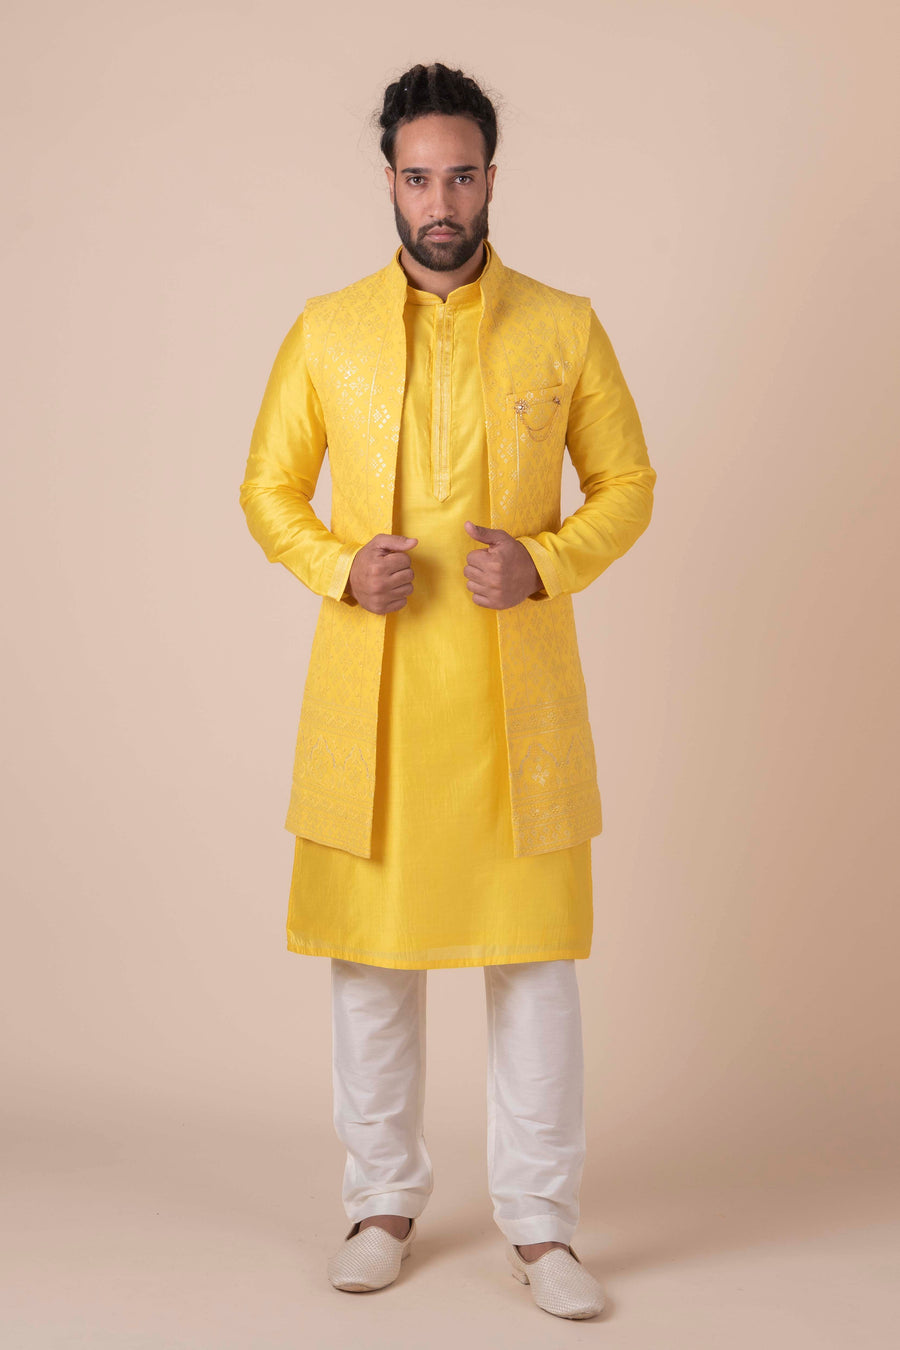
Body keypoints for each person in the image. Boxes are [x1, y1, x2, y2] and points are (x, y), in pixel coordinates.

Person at [239, 61, 656, 1320]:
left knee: (534, 970)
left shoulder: (564, 326)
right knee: (373, 967)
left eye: (461, 176)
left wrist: (542, 561)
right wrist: (335, 565)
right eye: (419, 178)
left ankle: (543, 1227)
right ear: (390, 182)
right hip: (375, 705)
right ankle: (380, 1204)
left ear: (490, 179)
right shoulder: (327, 330)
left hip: (513, 709)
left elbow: (627, 485)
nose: (441, 201)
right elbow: (267, 488)